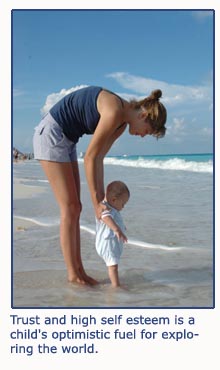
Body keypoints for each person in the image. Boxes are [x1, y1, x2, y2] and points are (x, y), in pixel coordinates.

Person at [33, 85, 167, 286]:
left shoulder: (121, 125)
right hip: (51, 134)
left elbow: (99, 158)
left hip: (67, 140)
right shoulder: (114, 111)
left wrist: (101, 201)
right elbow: (90, 157)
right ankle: (73, 273)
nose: (142, 136)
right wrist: (97, 202)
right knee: (70, 208)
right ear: (144, 115)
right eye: (146, 132)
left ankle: (80, 271)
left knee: (75, 208)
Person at [96, 181, 129, 287]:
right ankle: (115, 285)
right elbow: (105, 218)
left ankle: (115, 283)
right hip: (107, 243)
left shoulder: (111, 207)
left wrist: (121, 227)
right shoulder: (106, 208)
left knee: (113, 264)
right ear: (114, 200)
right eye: (123, 203)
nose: (123, 207)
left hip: (109, 242)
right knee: (113, 265)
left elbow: (115, 220)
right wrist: (117, 230)